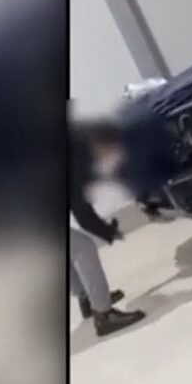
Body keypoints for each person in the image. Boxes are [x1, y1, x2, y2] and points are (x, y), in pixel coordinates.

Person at [70, 120, 145, 337]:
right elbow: (83, 215)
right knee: (82, 248)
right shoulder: (76, 160)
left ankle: (88, 298)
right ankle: (104, 315)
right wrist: (109, 232)